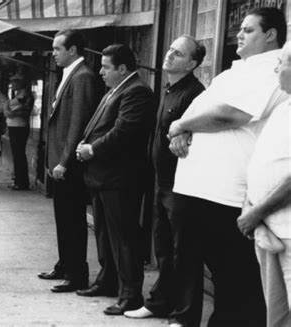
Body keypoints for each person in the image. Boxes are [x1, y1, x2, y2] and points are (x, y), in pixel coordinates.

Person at [166, 7, 287, 327]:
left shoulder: (272, 70)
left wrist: (181, 124)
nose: (239, 34)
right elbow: (197, 112)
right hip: (195, 187)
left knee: (235, 284)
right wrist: (183, 127)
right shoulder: (230, 73)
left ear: (271, 34)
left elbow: (227, 115)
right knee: (191, 264)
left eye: (248, 30)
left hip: (227, 194)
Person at [125, 35, 206, 319]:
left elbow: (199, 134)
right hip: (161, 181)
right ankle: (159, 303)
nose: (170, 55)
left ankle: (185, 316)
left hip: (182, 184)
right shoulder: (169, 89)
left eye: (178, 53)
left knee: (184, 250)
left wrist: (186, 133)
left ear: (192, 63)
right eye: (170, 49)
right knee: (163, 247)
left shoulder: (196, 93)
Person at [76, 44, 155, 315]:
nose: (101, 72)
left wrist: (92, 149)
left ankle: (131, 295)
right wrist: (85, 143)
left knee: (124, 238)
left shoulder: (137, 92)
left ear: (123, 68)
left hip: (121, 178)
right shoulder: (116, 89)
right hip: (102, 176)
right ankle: (107, 281)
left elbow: (123, 131)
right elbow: (101, 125)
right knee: (105, 235)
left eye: (106, 67)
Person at [237, 40, 291, 327]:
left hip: (286, 228)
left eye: (282, 62)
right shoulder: (284, 108)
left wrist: (256, 212)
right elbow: (261, 161)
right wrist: (250, 206)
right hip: (267, 226)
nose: (276, 68)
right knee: (277, 312)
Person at [39, 29, 97, 293]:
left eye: (57, 49)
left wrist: (64, 161)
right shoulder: (69, 74)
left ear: (72, 50)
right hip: (59, 160)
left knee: (73, 219)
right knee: (62, 217)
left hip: (69, 163)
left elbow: (78, 123)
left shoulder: (83, 76)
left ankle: (77, 274)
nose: (53, 54)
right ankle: (65, 264)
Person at [4, 73, 34, 190]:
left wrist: (11, 112)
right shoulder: (18, 95)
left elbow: (25, 110)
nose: (13, 84)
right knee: (17, 154)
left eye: (15, 81)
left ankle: (21, 182)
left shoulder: (25, 95)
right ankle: (18, 179)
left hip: (19, 127)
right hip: (14, 126)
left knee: (19, 154)